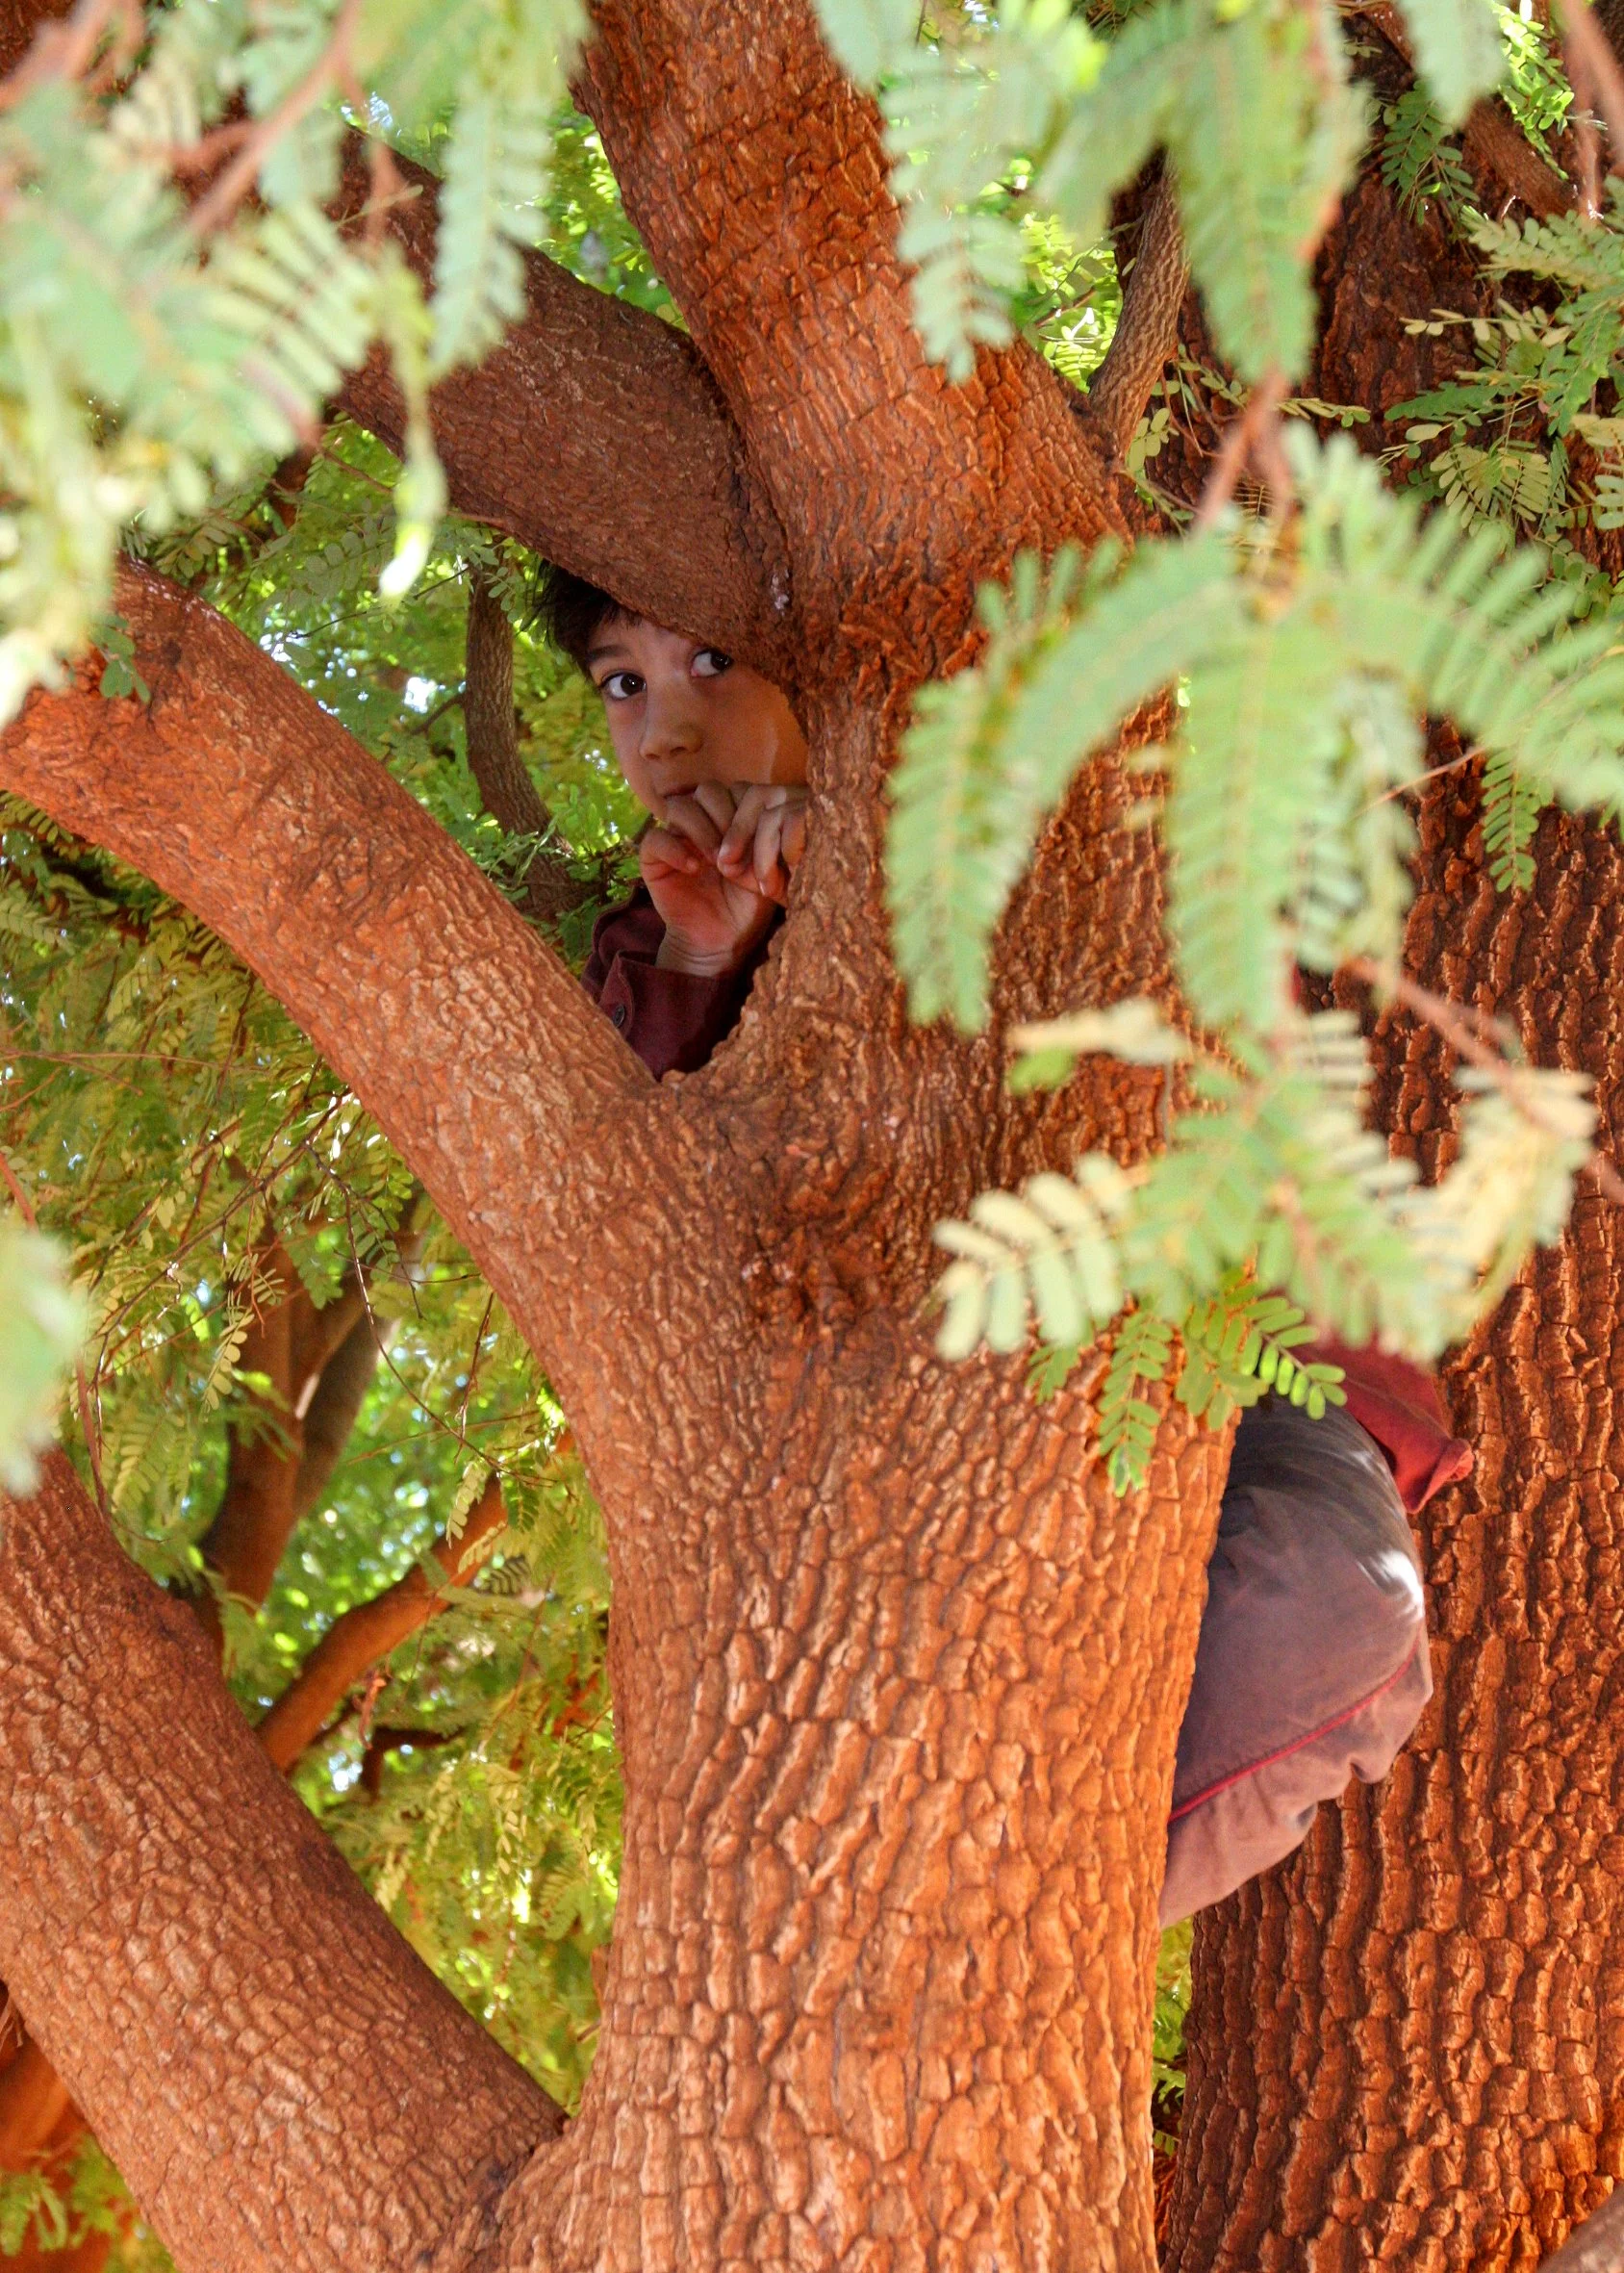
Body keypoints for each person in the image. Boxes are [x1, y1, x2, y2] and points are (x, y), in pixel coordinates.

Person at [533, 565, 1473, 1924]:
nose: (664, 732)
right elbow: (635, 1271)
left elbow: (1216, 1054)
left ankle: (990, 1942)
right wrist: (709, 957)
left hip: (1220, 1370)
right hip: (876, 1465)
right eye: (624, 685)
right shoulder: (647, 957)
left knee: (1322, 1594)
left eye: (710, 664)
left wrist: (880, 874)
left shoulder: (1053, 799)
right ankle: (925, 1944)